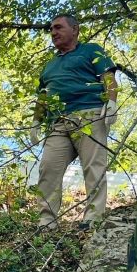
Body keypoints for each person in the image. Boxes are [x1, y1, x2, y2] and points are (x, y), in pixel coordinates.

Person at [31, 14, 118, 229]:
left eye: (58, 27)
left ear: (75, 29)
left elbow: (108, 77)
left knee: (94, 167)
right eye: (51, 29)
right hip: (58, 123)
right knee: (48, 168)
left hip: (89, 114)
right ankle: (46, 221)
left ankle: (93, 217)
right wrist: (36, 121)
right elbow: (43, 95)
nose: (53, 32)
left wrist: (112, 102)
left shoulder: (91, 50)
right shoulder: (49, 65)